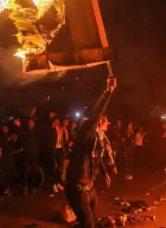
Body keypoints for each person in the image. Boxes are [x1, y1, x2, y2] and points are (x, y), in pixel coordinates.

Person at [65, 77, 117, 228]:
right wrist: (109, 91)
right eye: (103, 121)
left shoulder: (95, 142)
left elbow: (97, 158)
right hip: (78, 188)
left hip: (89, 187)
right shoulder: (85, 135)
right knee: (88, 224)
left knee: (96, 223)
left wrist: (105, 172)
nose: (105, 123)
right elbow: (96, 114)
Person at [18, 117, 40, 196]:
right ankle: (25, 188)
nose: (31, 123)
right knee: (26, 171)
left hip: (34, 154)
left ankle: (30, 186)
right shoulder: (24, 132)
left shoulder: (35, 132)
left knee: (34, 172)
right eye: (30, 122)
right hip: (27, 154)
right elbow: (21, 139)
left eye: (32, 122)